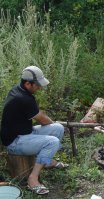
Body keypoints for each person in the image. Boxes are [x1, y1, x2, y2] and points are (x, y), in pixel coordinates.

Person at [0, 66, 68, 195]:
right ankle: (32, 179)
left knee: (58, 128)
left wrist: (52, 123)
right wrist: (50, 122)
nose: (40, 88)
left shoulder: (19, 90)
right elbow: (43, 120)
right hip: (15, 142)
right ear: (27, 83)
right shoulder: (23, 98)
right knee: (52, 142)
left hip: (25, 132)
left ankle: (45, 162)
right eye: (37, 85)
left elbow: (38, 116)